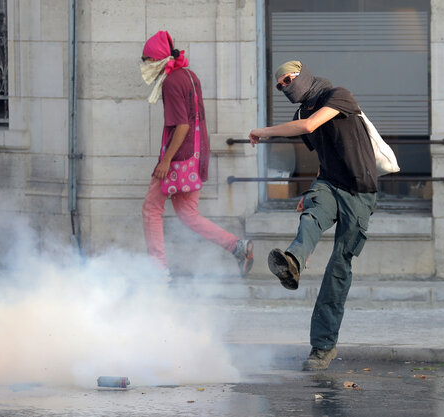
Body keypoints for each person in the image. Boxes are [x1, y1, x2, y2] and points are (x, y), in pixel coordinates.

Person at [248, 61, 378, 371]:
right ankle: (292, 261)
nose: (284, 88)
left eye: (288, 81)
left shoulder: (338, 96)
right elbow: (323, 153)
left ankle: (323, 348)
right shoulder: (299, 113)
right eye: (279, 86)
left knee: (338, 268)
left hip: (359, 192)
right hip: (329, 184)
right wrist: (312, 193)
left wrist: (264, 132)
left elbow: (310, 127)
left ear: (303, 74)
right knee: (310, 217)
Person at [140, 30, 253, 277]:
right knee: (188, 215)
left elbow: (182, 126)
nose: (145, 64)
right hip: (195, 156)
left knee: (151, 209)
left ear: (158, 59)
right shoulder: (189, 75)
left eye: (146, 59)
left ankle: (157, 271)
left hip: (177, 158)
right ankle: (237, 246)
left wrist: (166, 160)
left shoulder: (171, 81)